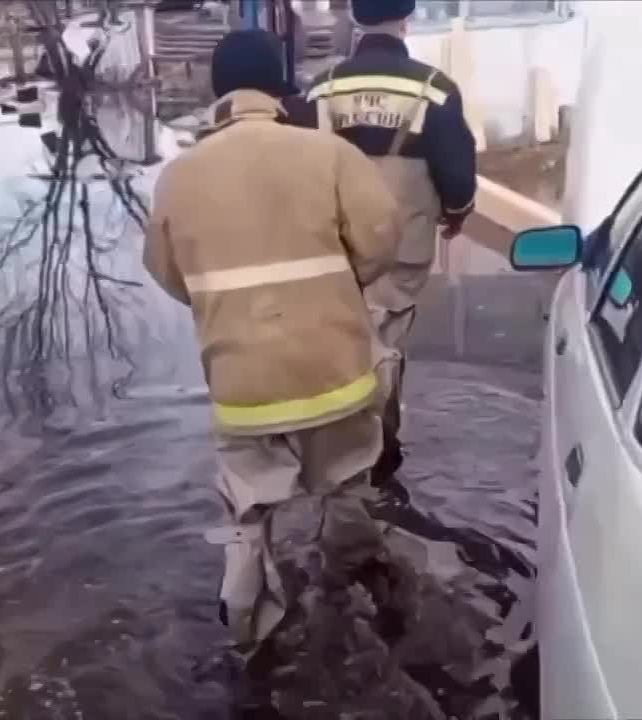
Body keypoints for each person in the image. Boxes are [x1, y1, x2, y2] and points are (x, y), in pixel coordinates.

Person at [142, 29, 402, 655]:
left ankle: (248, 630)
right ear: (281, 90)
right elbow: (380, 238)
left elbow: (167, 272)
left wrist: (225, 304)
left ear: (217, 94)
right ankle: (359, 603)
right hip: (336, 372)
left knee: (249, 516)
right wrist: (335, 290)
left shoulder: (178, 176)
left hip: (244, 392)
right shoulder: (328, 154)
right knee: (345, 484)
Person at [302, 0, 478, 481]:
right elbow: (458, 176)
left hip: (330, 243)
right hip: (401, 242)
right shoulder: (434, 91)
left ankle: (332, 447)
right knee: (384, 344)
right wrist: (456, 215)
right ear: (406, 20)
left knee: (337, 340)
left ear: (357, 20)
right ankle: (377, 454)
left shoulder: (323, 87)